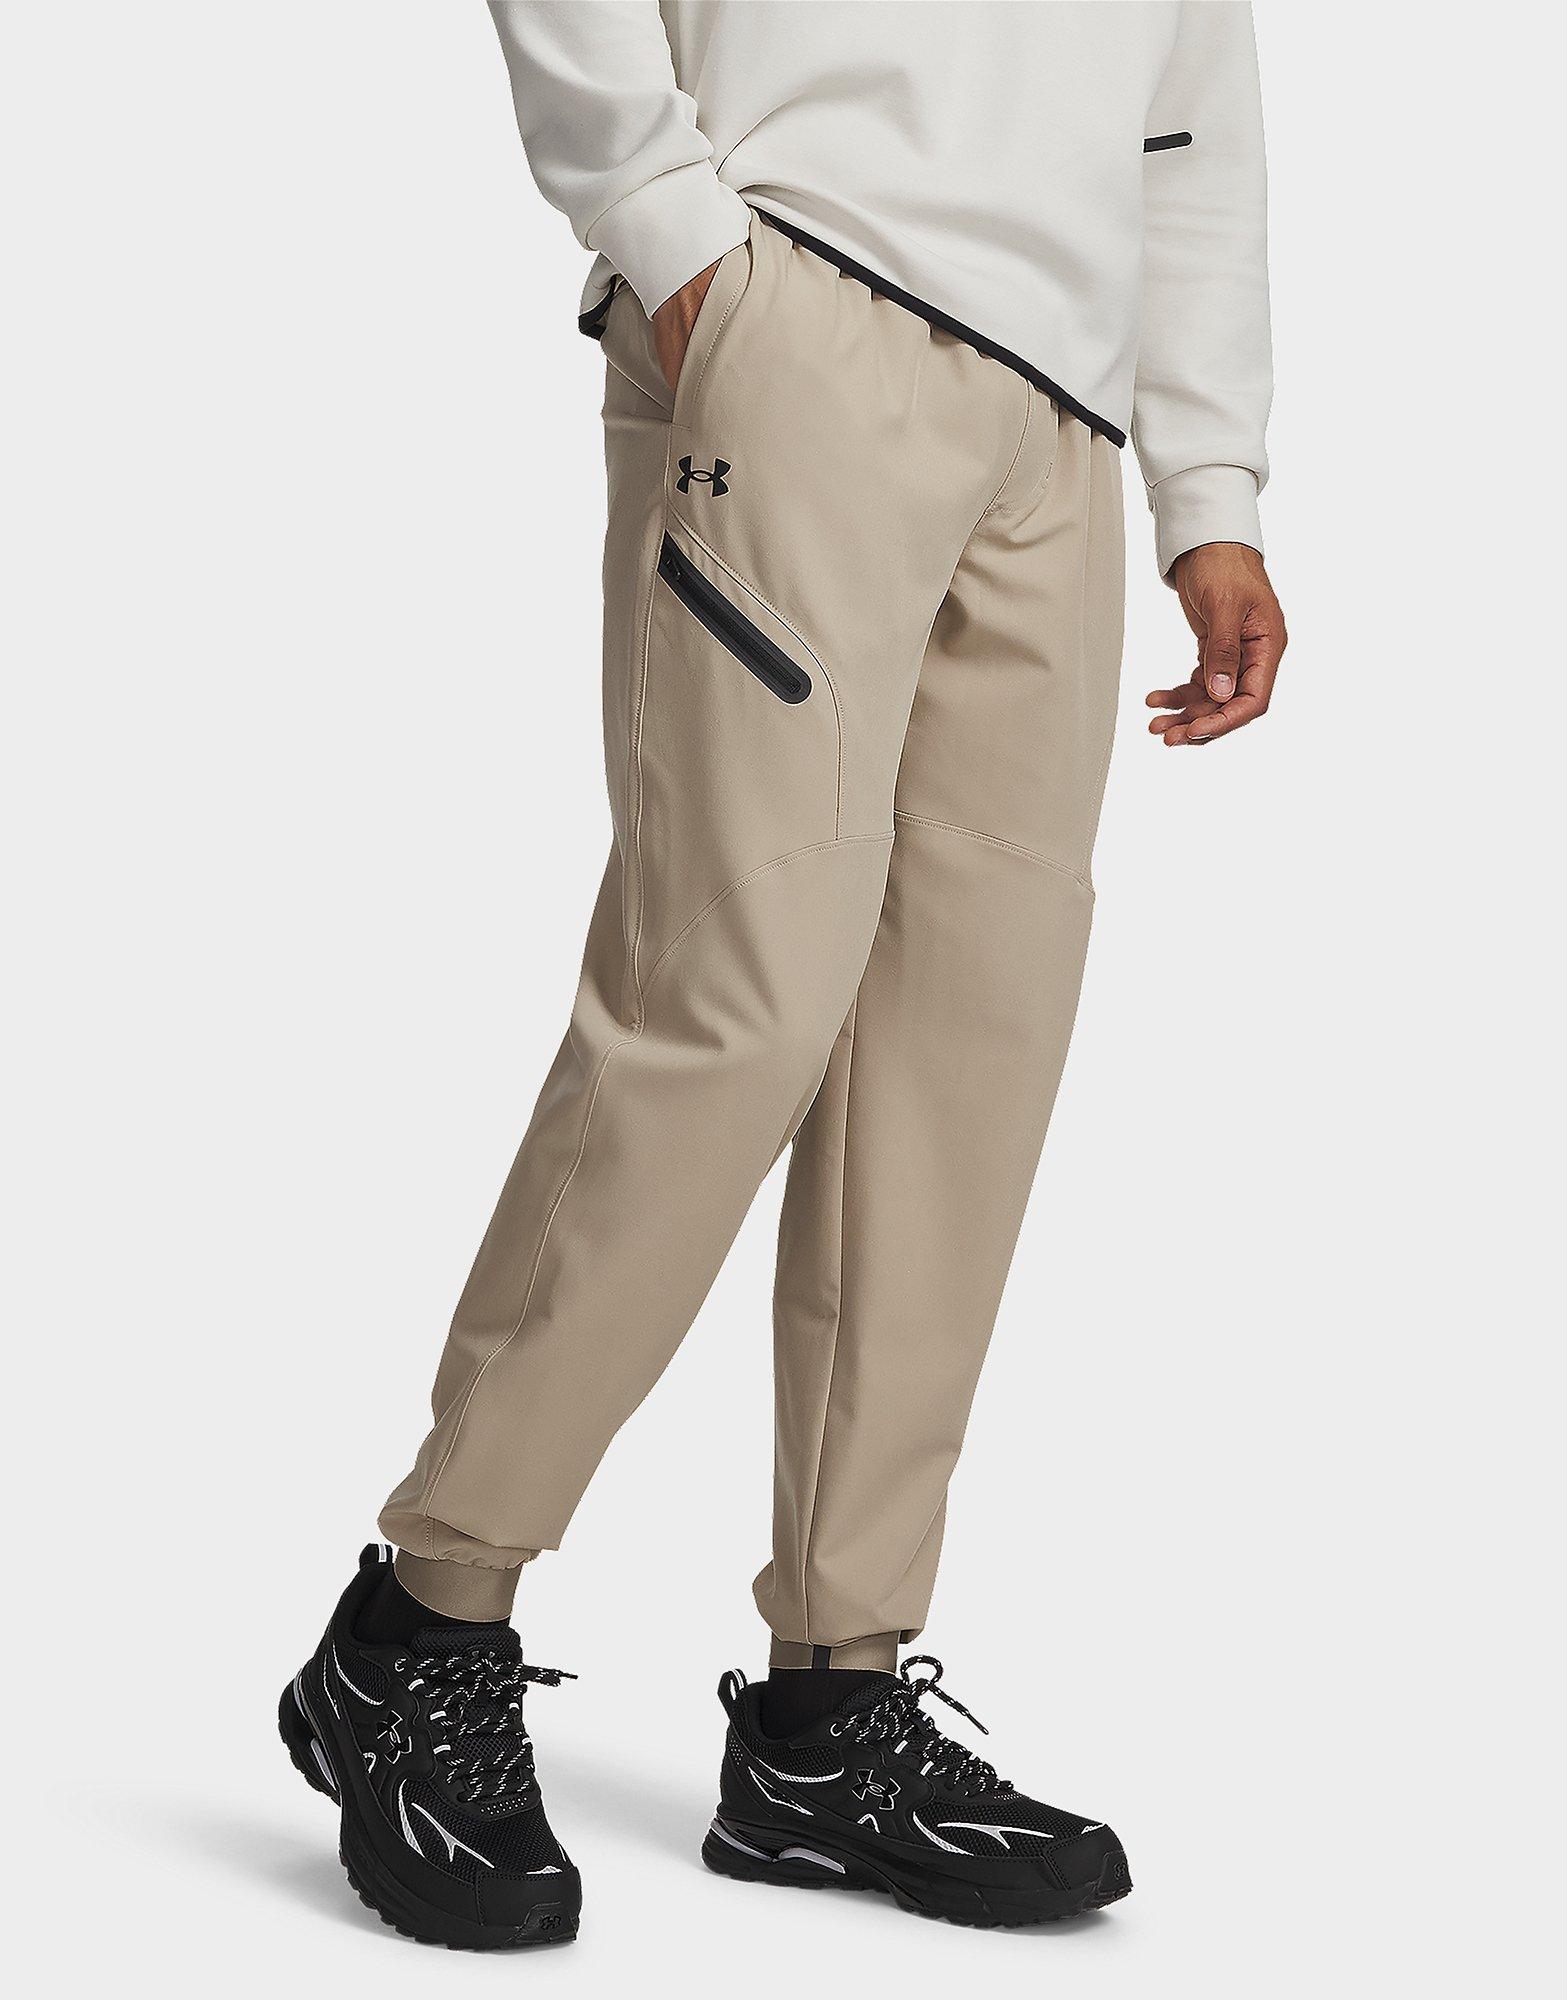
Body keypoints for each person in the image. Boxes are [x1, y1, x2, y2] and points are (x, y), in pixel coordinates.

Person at [279, 0, 1286, 1948]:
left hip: (1059, 420)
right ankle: (420, 1623)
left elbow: (1194, 127)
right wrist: (672, 238)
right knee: (727, 1009)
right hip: (799, 306)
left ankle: (833, 1714)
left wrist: (1212, 489)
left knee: (961, 1062)